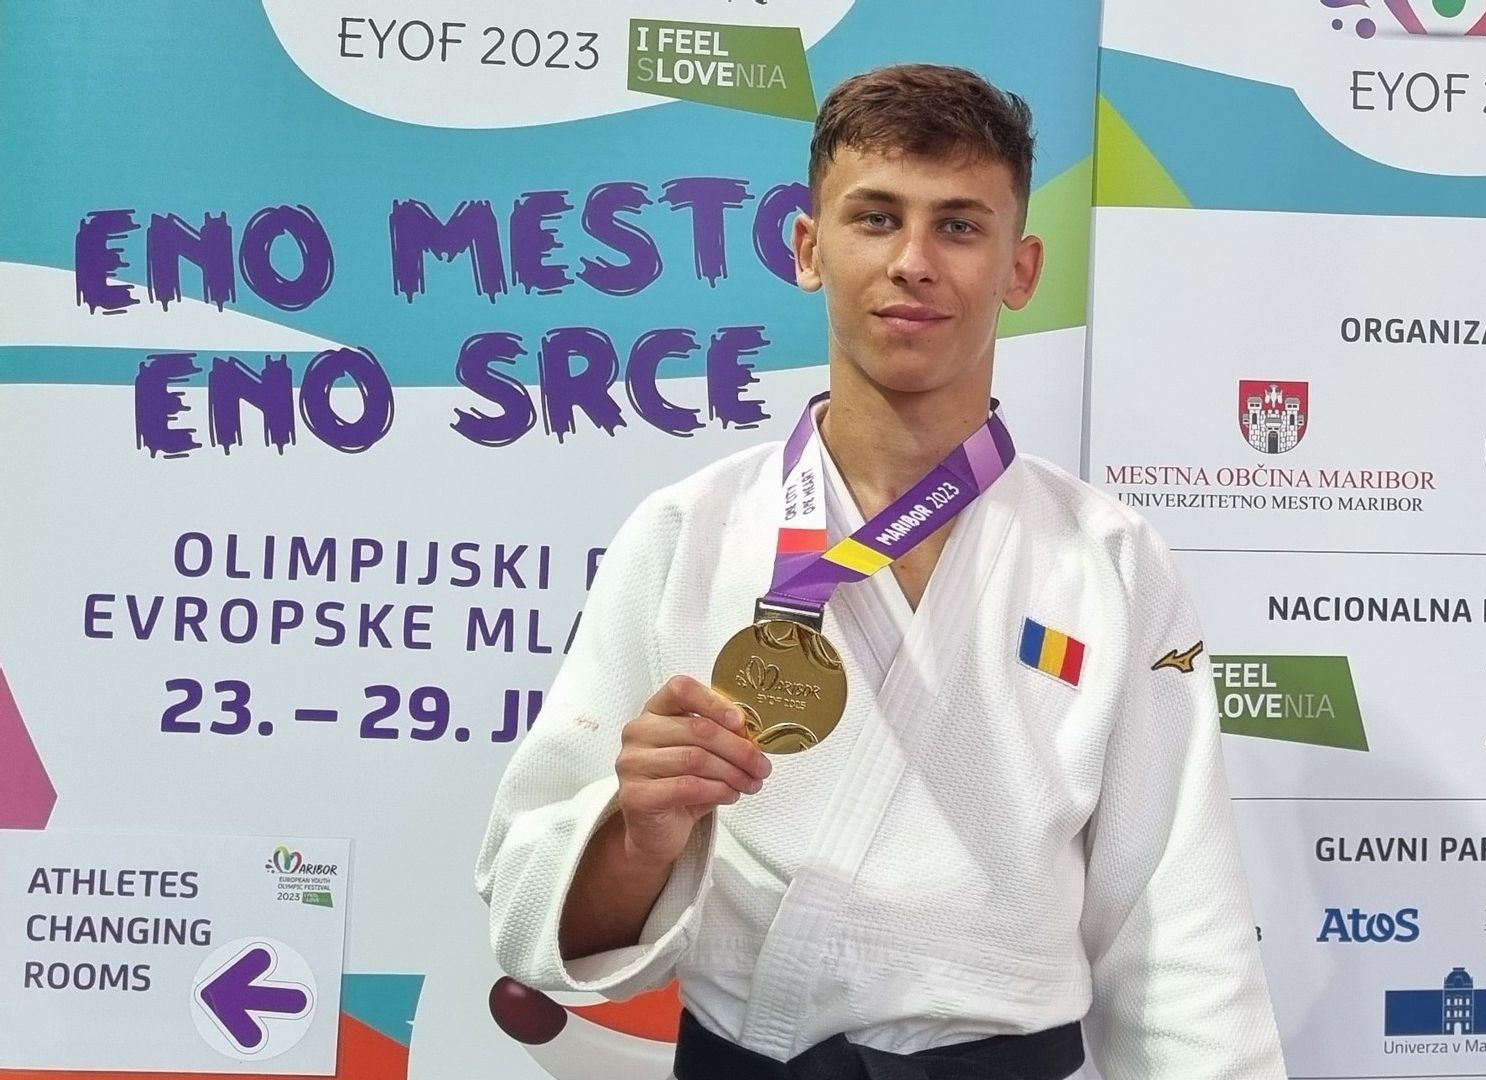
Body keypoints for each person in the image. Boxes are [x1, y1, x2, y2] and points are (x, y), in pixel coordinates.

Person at [475, 64, 1289, 1079]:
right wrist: (640, 836)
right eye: (875, 218)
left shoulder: (1110, 560)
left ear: (1021, 268)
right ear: (808, 249)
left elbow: (1178, 925)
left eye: (959, 226)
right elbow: (530, 917)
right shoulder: (686, 532)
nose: (913, 261)